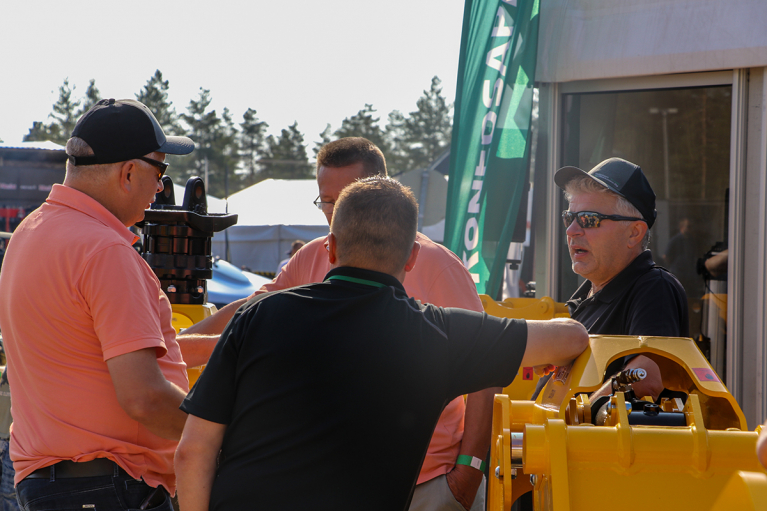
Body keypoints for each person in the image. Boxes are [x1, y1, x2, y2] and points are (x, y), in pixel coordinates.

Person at [174, 177, 589, 511]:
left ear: (331, 248)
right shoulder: (439, 335)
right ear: (411, 257)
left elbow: (193, 453)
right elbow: (571, 337)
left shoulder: (257, 317)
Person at [184, 137, 496, 510]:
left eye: (341, 198)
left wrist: (469, 470)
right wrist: (178, 341)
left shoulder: (439, 266)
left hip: (426, 483)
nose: (332, 211)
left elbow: (486, 370)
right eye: (325, 200)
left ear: (377, 191)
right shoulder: (313, 255)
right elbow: (249, 310)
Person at [0, 98, 204, 511]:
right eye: (160, 171)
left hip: (53, 485)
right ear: (129, 172)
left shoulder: (31, 232)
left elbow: (91, 357)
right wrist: (217, 437)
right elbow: (143, 397)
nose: (161, 187)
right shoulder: (104, 250)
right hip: (109, 487)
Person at [554, 157, 689, 399]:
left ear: (634, 233)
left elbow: (645, 376)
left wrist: (576, 415)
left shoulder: (654, 288)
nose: (572, 230)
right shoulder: (586, 297)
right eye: (569, 217)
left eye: (588, 219)